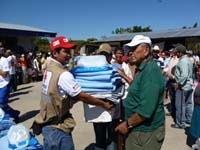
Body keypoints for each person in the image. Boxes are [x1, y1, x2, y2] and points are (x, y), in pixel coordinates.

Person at [32, 36, 112, 150]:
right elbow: (82, 96)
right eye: (65, 51)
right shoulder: (63, 74)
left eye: (69, 51)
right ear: (55, 53)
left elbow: (55, 94)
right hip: (58, 129)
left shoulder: (49, 68)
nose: (69, 54)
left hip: (47, 124)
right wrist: (103, 104)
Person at [115, 35, 165, 150]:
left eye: (133, 49)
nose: (130, 53)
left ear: (146, 51)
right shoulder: (143, 69)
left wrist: (127, 124)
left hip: (145, 133)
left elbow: (146, 111)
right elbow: (138, 88)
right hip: (139, 129)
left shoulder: (150, 72)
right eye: (129, 50)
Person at [171, 44, 193, 129]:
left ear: (180, 52)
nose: (176, 54)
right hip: (188, 85)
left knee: (180, 105)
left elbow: (184, 75)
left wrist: (178, 84)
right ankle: (188, 119)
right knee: (187, 104)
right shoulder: (188, 60)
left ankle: (180, 123)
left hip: (183, 86)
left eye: (176, 52)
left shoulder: (183, 61)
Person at [0, 50, 20, 122]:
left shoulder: (4, 60)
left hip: (4, 84)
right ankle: (12, 114)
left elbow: (5, 74)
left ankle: (14, 114)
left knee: (2, 103)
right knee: (2, 104)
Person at [190, 64, 200, 148]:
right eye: (197, 71)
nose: (198, 72)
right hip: (197, 106)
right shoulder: (197, 81)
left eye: (199, 71)